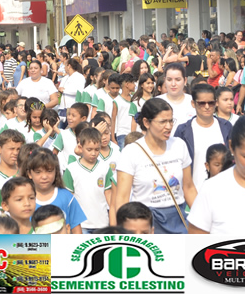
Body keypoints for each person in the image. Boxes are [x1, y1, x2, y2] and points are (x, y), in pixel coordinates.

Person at [115, 98, 196, 234]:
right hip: (145, 223)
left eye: (171, 121)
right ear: (146, 122)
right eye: (162, 122)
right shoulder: (131, 152)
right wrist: (123, 233)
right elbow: (122, 198)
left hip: (178, 219)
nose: (169, 126)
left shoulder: (179, 145)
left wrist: (203, 219)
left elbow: (189, 188)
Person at [173, 84, 232, 193]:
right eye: (202, 103)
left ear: (216, 103)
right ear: (193, 104)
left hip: (223, 191)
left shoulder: (226, 127)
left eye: (211, 103)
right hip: (192, 192)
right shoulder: (183, 131)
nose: (207, 106)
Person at [63, 128, 113, 233]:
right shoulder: (71, 169)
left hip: (102, 223)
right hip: (81, 225)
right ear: (80, 147)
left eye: (97, 149)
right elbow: (68, 198)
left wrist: (113, 223)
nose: (93, 153)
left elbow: (109, 195)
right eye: (89, 149)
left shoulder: (105, 168)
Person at [157, 64, 195, 136]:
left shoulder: (194, 102)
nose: (173, 84)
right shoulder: (156, 102)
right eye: (169, 80)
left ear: (185, 80)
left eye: (178, 80)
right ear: (165, 80)